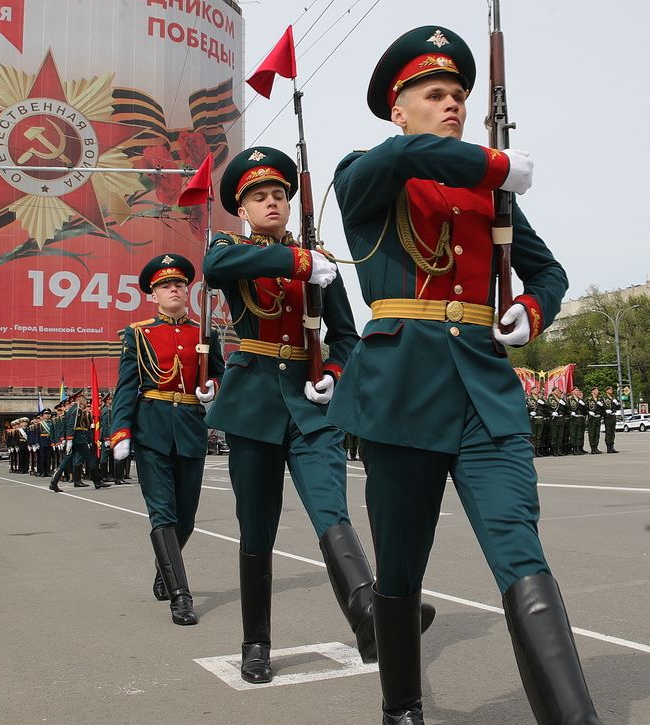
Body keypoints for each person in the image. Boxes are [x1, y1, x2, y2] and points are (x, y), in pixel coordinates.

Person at [329, 25, 650, 725]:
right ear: (398, 108)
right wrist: (497, 165)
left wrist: (531, 308)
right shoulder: (368, 171)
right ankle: (402, 710)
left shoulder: (489, 192)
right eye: (435, 95)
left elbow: (550, 270)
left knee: (520, 548)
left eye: (460, 97)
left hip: (484, 392)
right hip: (403, 394)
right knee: (402, 570)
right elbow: (415, 161)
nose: (452, 106)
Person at [203, 146, 431, 684]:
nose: (272, 203)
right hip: (254, 403)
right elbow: (215, 269)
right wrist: (297, 262)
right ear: (243, 208)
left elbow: (348, 335)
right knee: (256, 527)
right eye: (259, 197)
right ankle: (255, 641)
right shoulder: (231, 247)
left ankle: (367, 614)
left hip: (310, 407)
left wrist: (332, 368)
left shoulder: (320, 260)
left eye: (280, 194)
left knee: (331, 510)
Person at [110, 254, 225, 626]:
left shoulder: (205, 333)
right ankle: (181, 595)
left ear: (187, 290)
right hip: (152, 431)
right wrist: (121, 431)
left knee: (187, 519)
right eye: (164, 285)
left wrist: (214, 390)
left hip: (191, 429)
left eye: (178, 284)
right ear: (153, 296)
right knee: (163, 513)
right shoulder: (138, 333)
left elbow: (222, 377)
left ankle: (165, 571)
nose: (173, 289)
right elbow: (126, 387)